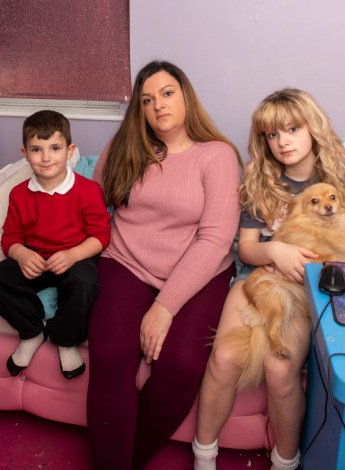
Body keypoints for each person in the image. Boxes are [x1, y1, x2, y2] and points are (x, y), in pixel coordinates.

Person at [193, 88, 345, 470]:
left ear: (312, 127)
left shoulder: (343, 181)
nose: (282, 142)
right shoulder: (260, 179)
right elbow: (246, 248)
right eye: (272, 135)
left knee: (279, 370)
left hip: (305, 288)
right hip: (257, 275)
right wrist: (274, 251)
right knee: (225, 357)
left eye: (291, 129)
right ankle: (203, 455)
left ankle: (285, 461)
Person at [86, 60, 242, 469]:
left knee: (182, 366)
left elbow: (215, 239)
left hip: (199, 269)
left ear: (186, 96)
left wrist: (164, 307)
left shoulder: (218, 156)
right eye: (147, 99)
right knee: (112, 356)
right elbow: (91, 203)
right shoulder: (125, 145)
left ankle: (129, 458)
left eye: (167, 93)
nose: (158, 106)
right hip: (126, 260)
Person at [0, 110, 110, 380]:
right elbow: (10, 237)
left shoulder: (87, 191)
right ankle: (32, 331)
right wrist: (22, 253)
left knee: (85, 281)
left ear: (69, 150)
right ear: (25, 154)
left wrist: (74, 255)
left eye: (54, 148)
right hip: (37, 262)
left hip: (74, 261)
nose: (46, 157)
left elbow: (101, 236)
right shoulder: (19, 194)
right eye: (36, 150)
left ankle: (65, 338)